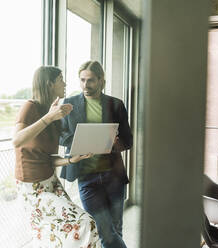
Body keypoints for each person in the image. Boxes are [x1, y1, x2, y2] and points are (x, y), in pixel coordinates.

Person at [13, 65, 101, 248]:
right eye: (61, 79)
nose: (65, 83)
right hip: (33, 188)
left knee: (60, 234)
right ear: (49, 84)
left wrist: (70, 159)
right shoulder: (30, 107)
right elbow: (17, 140)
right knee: (86, 223)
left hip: (50, 181)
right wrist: (49, 118)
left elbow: (47, 158)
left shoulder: (51, 110)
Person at [59, 61, 133, 248]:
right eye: (82, 80)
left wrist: (117, 143)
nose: (86, 85)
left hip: (113, 175)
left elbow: (128, 140)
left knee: (115, 228)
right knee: (105, 231)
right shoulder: (69, 104)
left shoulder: (116, 105)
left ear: (101, 80)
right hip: (86, 177)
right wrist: (79, 139)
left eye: (90, 80)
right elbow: (61, 135)